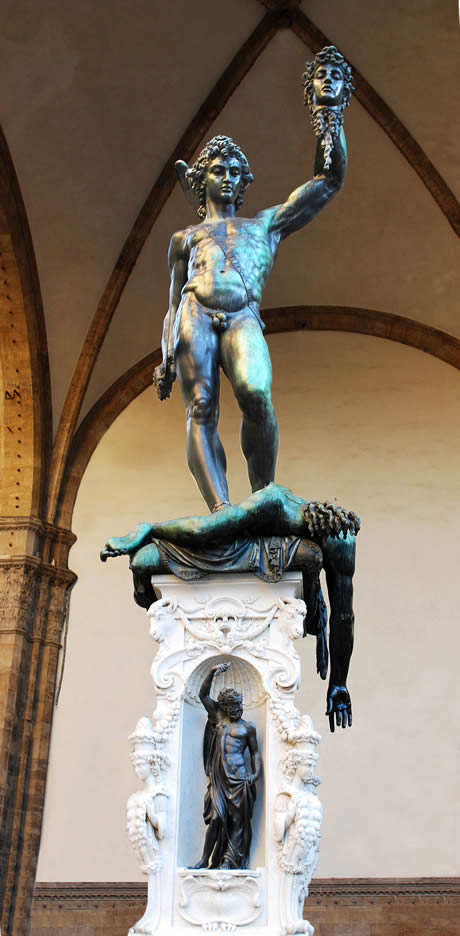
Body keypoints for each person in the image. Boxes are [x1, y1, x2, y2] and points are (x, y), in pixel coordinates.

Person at [153, 47, 352, 513]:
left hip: (243, 314)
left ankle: (261, 497)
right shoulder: (184, 237)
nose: (227, 177)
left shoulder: (264, 225)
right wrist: (164, 355)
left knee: (257, 394)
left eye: (235, 172)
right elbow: (170, 302)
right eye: (218, 170)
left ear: (245, 182)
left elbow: (329, 179)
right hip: (194, 313)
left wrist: (330, 116)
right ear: (201, 181)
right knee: (201, 407)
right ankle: (221, 509)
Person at [101, 482, 358, 732]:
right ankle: (147, 540)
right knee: (145, 560)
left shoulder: (341, 541)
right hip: (226, 544)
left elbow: (344, 616)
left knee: (310, 554)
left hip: (266, 550)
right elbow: (202, 530)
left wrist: (339, 683)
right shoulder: (272, 502)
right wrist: (150, 530)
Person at [192, 662, 261, 870]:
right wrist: (212, 672)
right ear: (225, 707)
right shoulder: (219, 718)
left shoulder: (248, 728)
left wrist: (255, 774)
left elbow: (255, 753)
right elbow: (203, 696)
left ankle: (229, 861)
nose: (238, 709)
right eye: (234, 706)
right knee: (215, 818)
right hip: (219, 779)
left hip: (240, 779)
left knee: (236, 821)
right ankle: (205, 859)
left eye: (240, 705)